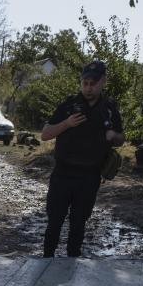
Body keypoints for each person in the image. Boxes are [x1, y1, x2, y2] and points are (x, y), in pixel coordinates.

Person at [39, 59, 125, 258]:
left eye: (93, 83)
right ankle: (46, 261)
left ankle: (72, 264)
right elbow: (45, 134)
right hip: (63, 174)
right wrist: (66, 124)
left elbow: (121, 139)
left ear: (103, 81)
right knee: (54, 222)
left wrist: (114, 136)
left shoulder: (110, 108)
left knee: (78, 223)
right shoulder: (69, 105)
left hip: (90, 177)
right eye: (85, 83)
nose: (88, 88)